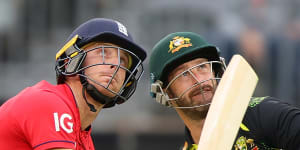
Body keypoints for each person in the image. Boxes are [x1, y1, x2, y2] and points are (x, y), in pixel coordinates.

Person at [0, 18, 146, 150]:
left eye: (123, 60)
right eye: (103, 52)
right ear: (71, 61)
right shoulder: (47, 102)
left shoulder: (84, 140)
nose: (116, 65)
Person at [149, 32, 300, 150]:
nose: (199, 80)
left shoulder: (265, 113)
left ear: (215, 72)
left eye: (201, 66)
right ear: (165, 92)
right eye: (183, 74)